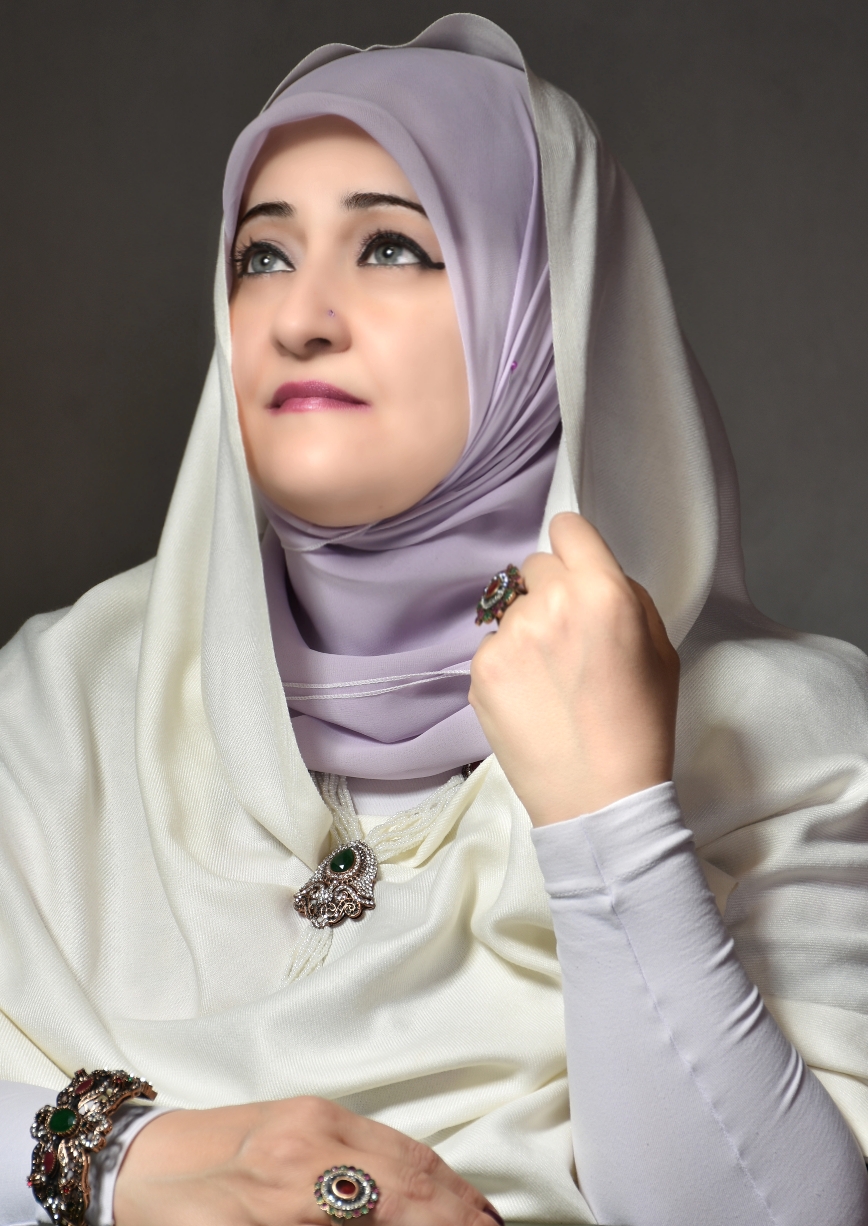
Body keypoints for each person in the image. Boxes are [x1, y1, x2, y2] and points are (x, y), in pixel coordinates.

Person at [2, 13, 868, 1226]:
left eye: (392, 247)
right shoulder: (64, 701)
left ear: (545, 304)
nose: (300, 316)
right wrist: (118, 1160)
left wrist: (613, 826)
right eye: (262, 255)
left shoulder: (783, 732)